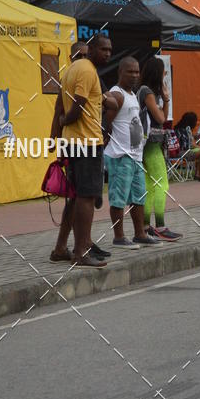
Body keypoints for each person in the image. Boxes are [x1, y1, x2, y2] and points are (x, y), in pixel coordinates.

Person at [53, 33, 118, 267]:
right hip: (86, 142)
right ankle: (81, 252)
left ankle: (60, 248)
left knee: (74, 197)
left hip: (73, 141)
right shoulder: (88, 71)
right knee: (87, 197)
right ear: (91, 49)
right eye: (103, 49)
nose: (108, 54)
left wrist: (56, 135)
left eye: (110, 50)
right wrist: (65, 121)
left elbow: (60, 105)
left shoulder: (71, 69)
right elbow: (77, 106)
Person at [102, 57, 159, 248]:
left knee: (138, 197)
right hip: (120, 156)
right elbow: (105, 124)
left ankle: (140, 234)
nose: (135, 75)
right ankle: (119, 237)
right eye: (130, 72)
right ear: (120, 72)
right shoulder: (117, 95)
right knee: (118, 199)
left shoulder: (132, 94)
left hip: (135, 156)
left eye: (137, 72)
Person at [138, 57, 182, 241]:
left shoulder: (146, 91)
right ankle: (160, 226)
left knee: (150, 185)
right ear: (157, 72)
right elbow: (162, 119)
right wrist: (166, 99)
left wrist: (165, 100)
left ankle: (146, 226)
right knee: (162, 184)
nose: (165, 74)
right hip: (151, 145)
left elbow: (162, 116)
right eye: (163, 70)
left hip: (147, 144)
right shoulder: (147, 92)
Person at [174, 112, 200, 181]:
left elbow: (190, 141)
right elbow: (190, 144)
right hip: (182, 152)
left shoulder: (178, 128)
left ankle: (197, 174)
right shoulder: (186, 129)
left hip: (180, 151)